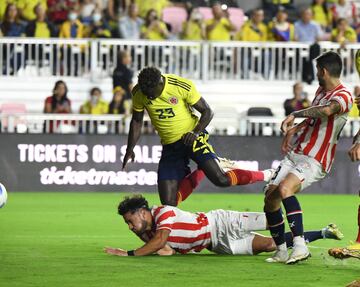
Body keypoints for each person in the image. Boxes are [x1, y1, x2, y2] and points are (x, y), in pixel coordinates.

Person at [123, 67, 274, 206]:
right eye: (145, 92)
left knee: (221, 180)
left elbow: (207, 111)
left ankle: (265, 174)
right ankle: (203, 169)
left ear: (160, 82)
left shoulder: (180, 86)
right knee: (169, 204)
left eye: (151, 92)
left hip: (192, 139)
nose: (148, 95)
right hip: (170, 146)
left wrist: (195, 133)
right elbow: (137, 121)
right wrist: (130, 148)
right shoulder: (139, 92)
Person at [264, 51, 353, 264]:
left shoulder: (344, 96)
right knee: (270, 198)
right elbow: (314, 117)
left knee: (285, 189)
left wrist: (295, 114)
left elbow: (325, 111)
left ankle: (300, 246)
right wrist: (296, 129)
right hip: (297, 152)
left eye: (317, 71)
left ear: (324, 71)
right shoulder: (321, 90)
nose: (316, 75)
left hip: (316, 159)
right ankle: (282, 250)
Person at [104, 195, 343, 256]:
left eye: (129, 220)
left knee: (273, 220)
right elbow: (164, 250)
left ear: (142, 211)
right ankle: (323, 232)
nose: (129, 226)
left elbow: (161, 242)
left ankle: (282, 191)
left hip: (221, 222)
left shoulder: (162, 212)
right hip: (216, 244)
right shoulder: (147, 232)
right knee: (270, 245)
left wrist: (130, 254)